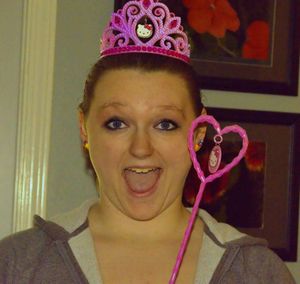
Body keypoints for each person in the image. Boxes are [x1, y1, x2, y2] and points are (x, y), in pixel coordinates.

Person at [0, 0, 296, 283]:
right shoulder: (18, 263)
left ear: (198, 134)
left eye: (165, 124)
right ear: (84, 129)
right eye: (117, 123)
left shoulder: (257, 272)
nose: (141, 148)